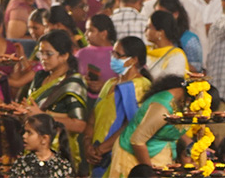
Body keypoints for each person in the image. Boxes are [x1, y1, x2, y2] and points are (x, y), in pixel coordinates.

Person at [86, 37, 151, 178]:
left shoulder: (141, 85)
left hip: (118, 155)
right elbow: (93, 117)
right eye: (112, 53)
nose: (113, 58)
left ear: (134, 59)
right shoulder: (109, 83)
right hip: (97, 155)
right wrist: (87, 145)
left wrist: (102, 149)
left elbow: (132, 125)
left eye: (118, 55)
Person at [24, 29, 88, 165]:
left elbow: (80, 125)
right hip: (33, 147)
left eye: (49, 54)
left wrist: (42, 115)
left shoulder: (73, 83)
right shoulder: (40, 77)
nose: (43, 58)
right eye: (41, 53)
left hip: (58, 151)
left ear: (64, 56)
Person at [109, 74, 186, 176]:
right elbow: (137, 141)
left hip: (159, 155)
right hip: (135, 156)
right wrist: (150, 173)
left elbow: (174, 129)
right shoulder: (163, 106)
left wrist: (194, 147)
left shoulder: (182, 103)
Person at [8, 112, 72, 178]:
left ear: (44, 138)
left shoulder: (62, 166)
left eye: (29, 133)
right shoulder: (21, 164)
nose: (24, 136)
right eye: (25, 132)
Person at [153, 0, 201, 70]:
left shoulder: (190, 40)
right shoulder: (156, 38)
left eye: (162, 14)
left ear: (175, 14)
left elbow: (196, 69)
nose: (158, 19)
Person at [77, 15, 118, 97]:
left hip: (110, 101)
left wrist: (105, 86)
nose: (85, 34)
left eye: (90, 31)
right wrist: (83, 81)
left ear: (104, 33)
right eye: (86, 30)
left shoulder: (118, 54)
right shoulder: (81, 53)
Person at [144, 11, 187, 78]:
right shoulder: (146, 50)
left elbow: (172, 83)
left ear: (160, 32)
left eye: (149, 27)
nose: (145, 30)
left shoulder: (176, 56)